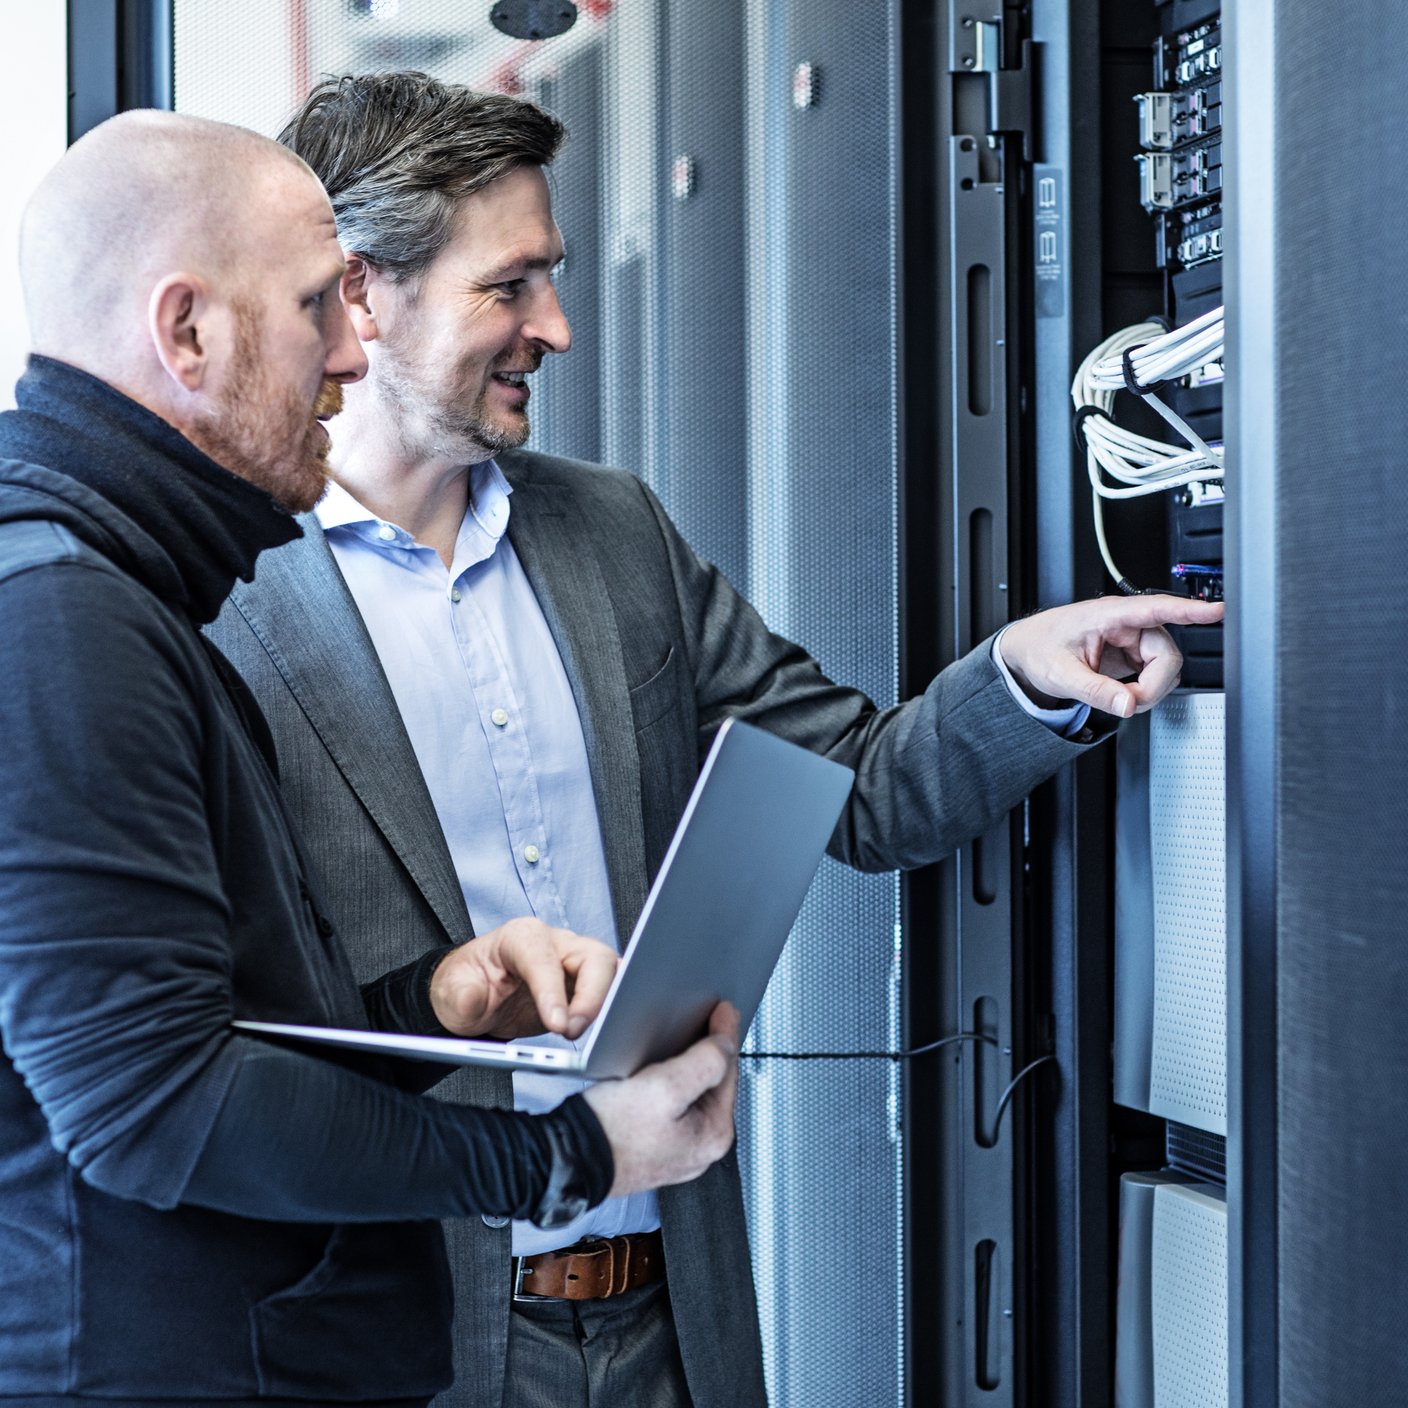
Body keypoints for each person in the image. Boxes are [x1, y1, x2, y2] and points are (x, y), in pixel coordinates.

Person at [206, 73, 1225, 1408]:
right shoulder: (226, 588)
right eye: (509, 287)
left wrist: (1028, 680)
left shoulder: (611, 534)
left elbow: (850, 788)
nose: (556, 327)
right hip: (398, 1332)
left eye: (552, 278)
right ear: (361, 293)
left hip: (665, 1311)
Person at [0, 109, 742, 1408]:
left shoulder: (108, 592)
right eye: (312, 309)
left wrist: (422, 1008)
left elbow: (186, 1026)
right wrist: (563, 1157)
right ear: (187, 333)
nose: (354, 354)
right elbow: (156, 1106)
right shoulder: (62, 619)